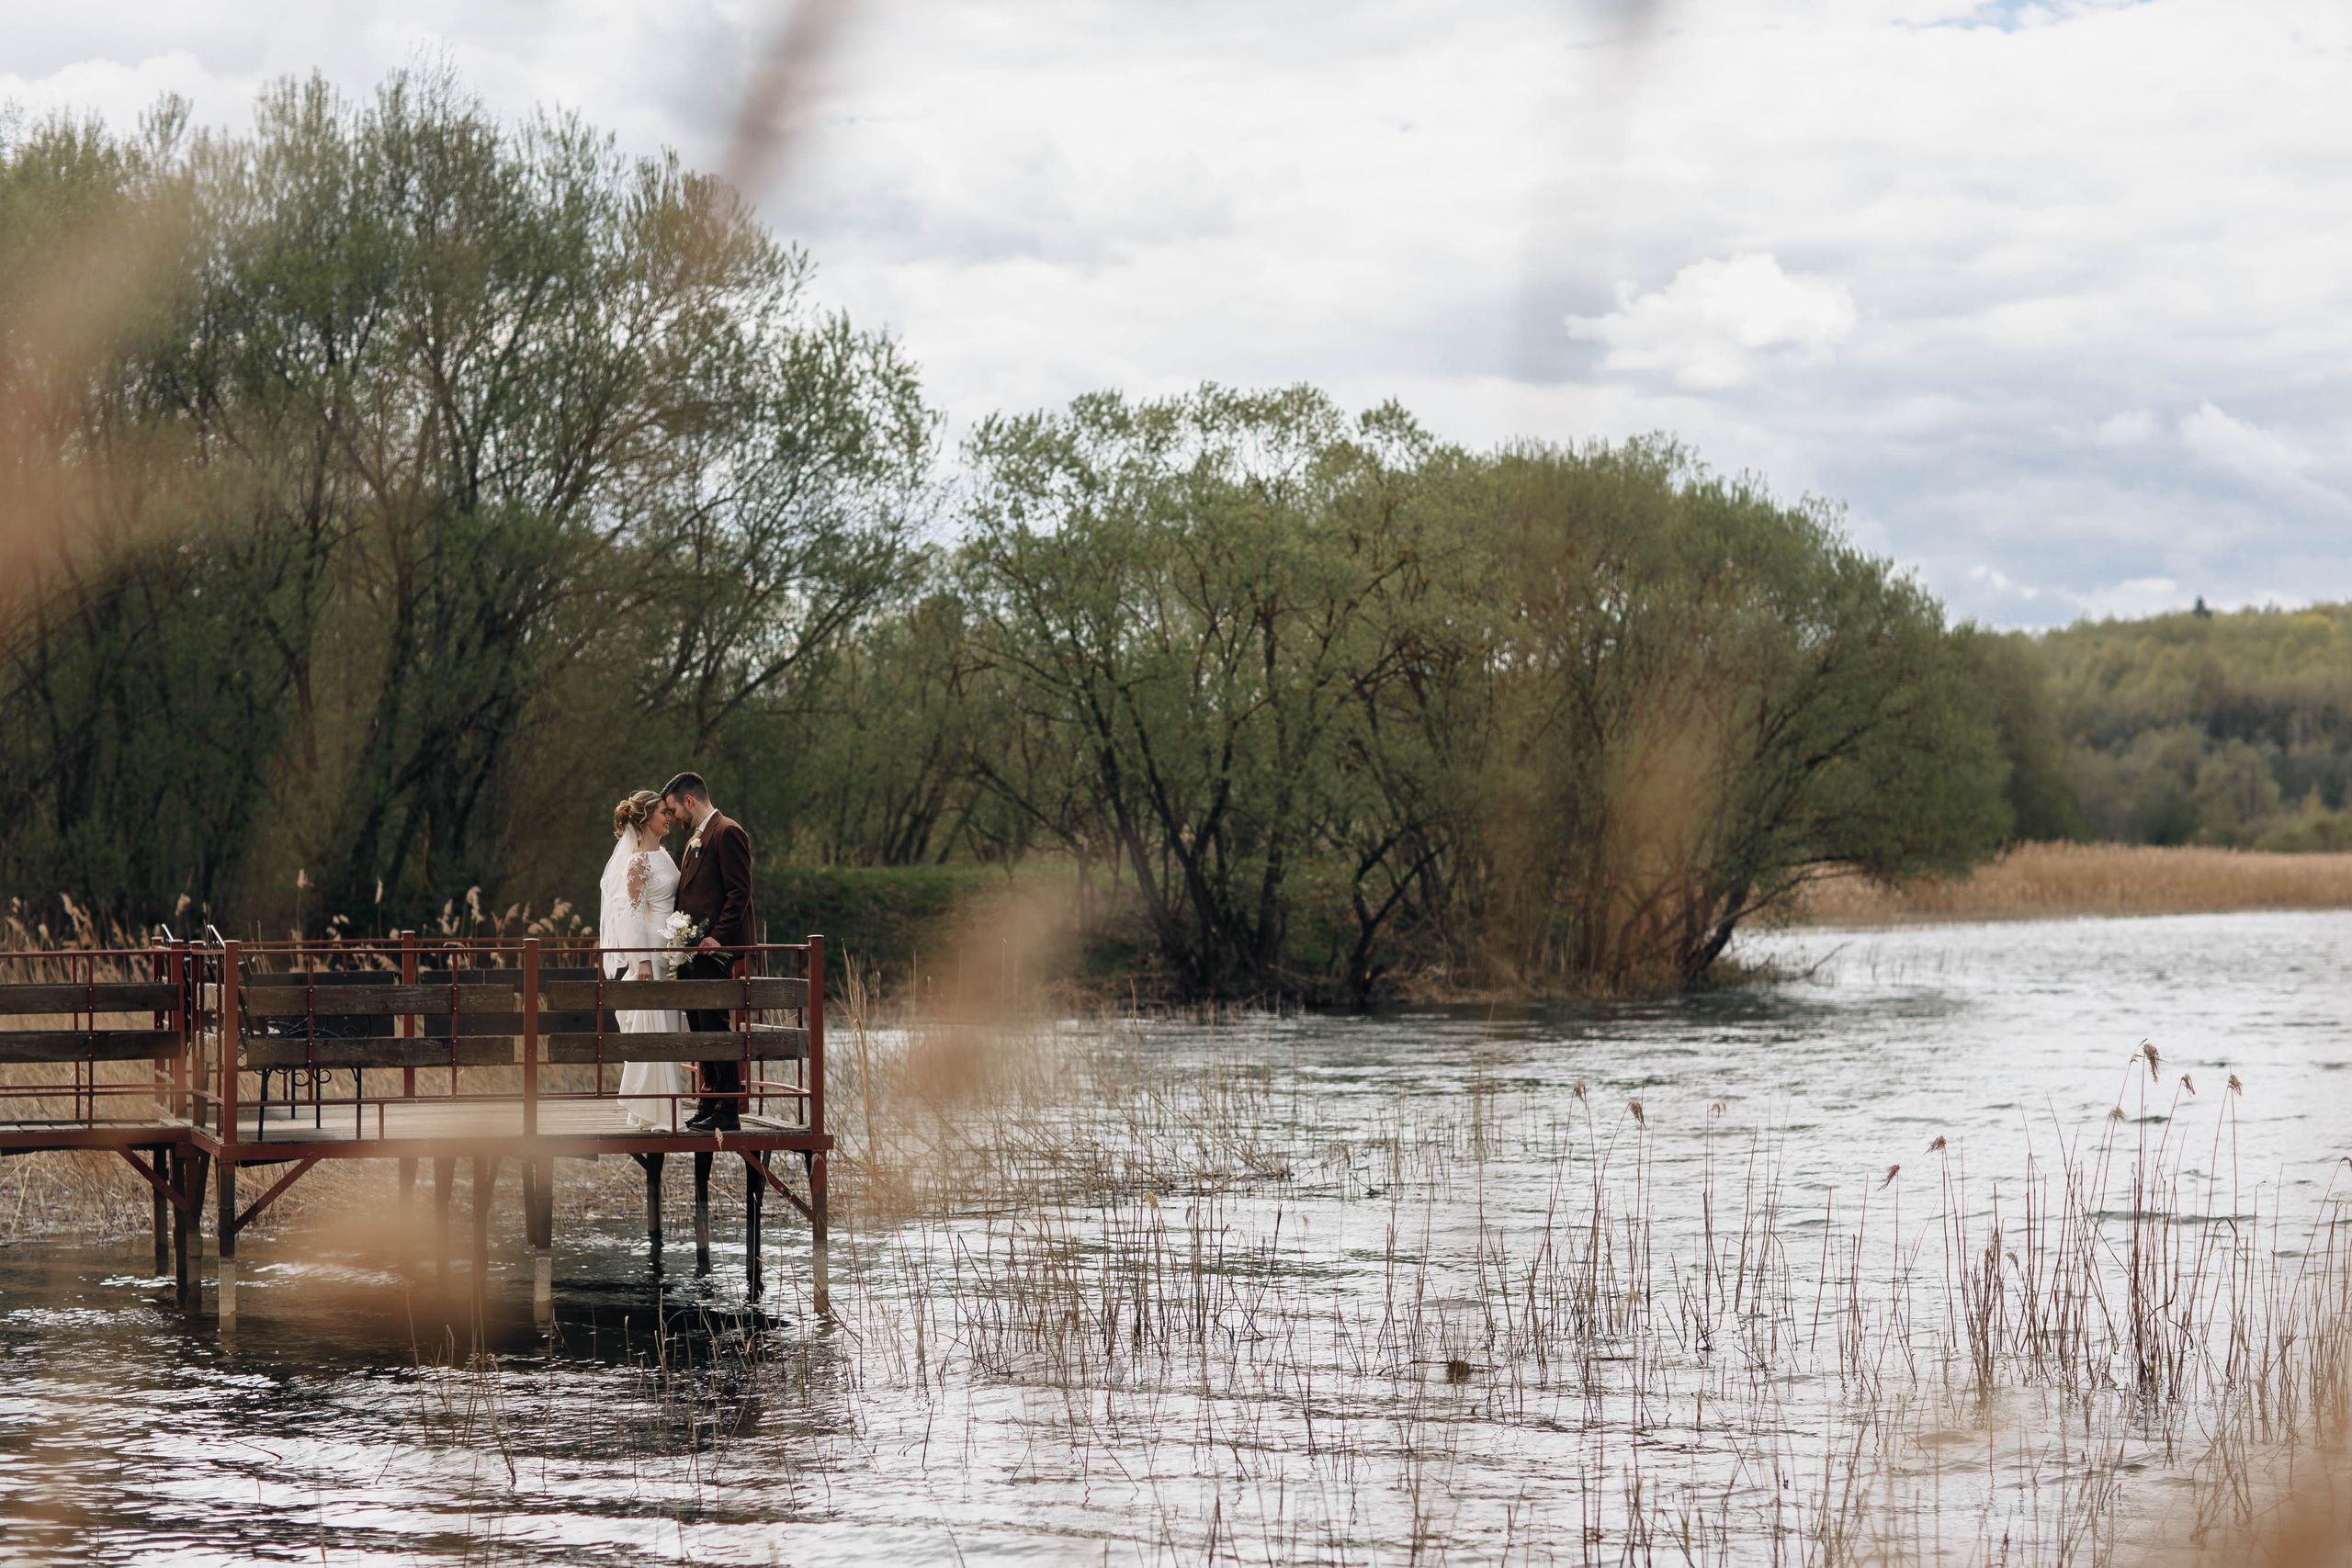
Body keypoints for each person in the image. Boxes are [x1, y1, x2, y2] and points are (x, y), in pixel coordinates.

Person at [662, 771, 755, 1132]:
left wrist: (716, 937)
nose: (671, 818)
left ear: (689, 801)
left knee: (716, 1027)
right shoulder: (694, 840)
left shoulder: (728, 831)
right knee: (701, 1028)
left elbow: (739, 892)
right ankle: (708, 1101)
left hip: (715, 953)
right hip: (691, 955)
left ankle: (728, 1110)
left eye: (672, 810)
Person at [597, 790, 692, 1128]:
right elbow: (634, 915)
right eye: (663, 813)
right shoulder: (637, 861)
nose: (670, 818)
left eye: (669, 812)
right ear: (645, 819)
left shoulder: (664, 856)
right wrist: (644, 962)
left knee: (667, 1024)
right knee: (653, 1023)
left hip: (668, 946)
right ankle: (652, 1109)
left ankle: (663, 1107)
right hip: (650, 948)